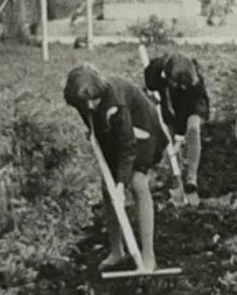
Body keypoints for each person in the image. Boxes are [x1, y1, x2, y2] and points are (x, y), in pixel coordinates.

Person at [64, 64, 168, 271]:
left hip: (142, 130)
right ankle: (117, 251)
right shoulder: (80, 98)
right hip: (114, 132)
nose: (90, 105)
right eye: (85, 102)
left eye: (94, 100)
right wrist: (95, 131)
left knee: (137, 183)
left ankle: (148, 256)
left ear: (99, 91)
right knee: (107, 189)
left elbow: (127, 147)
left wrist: (121, 184)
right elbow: (92, 118)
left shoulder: (115, 101)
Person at [143, 52, 209, 204]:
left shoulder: (194, 79)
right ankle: (176, 182)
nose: (182, 87)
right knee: (169, 146)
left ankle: (192, 178)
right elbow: (150, 84)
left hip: (192, 109)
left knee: (193, 130)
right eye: (179, 84)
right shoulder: (159, 70)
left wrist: (183, 133)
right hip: (170, 112)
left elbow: (199, 105)